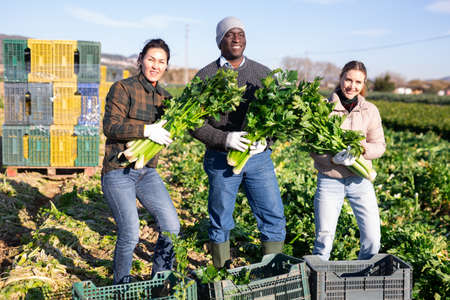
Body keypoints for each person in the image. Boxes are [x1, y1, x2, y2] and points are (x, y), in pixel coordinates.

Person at [191, 16, 286, 268]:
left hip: (258, 158)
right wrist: (225, 139)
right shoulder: (206, 76)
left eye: (240, 34)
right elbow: (193, 123)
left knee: (273, 214)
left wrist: (266, 141)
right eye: (229, 34)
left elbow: (278, 116)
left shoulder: (263, 73)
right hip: (221, 158)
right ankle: (221, 272)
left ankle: (272, 272)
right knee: (221, 218)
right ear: (219, 41)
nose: (236, 38)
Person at [101, 39, 180, 284]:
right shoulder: (122, 88)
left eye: (161, 61)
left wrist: (166, 136)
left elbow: (169, 130)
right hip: (118, 170)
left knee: (172, 226)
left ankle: (160, 280)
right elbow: (110, 127)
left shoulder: (167, 99)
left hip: (147, 172)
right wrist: (146, 131)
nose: (155, 65)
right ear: (140, 60)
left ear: (167, 66)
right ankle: (121, 284)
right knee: (131, 231)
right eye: (151, 59)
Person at [310, 60, 386, 261]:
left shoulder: (370, 110)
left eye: (358, 82)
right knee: (323, 239)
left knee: (372, 238)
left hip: (360, 181)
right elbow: (314, 148)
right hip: (330, 180)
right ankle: (320, 282)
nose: (352, 86)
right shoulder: (323, 108)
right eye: (348, 80)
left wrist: (363, 150)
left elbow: (380, 146)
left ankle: (363, 277)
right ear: (341, 78)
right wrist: (333, 159)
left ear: (364, 84)